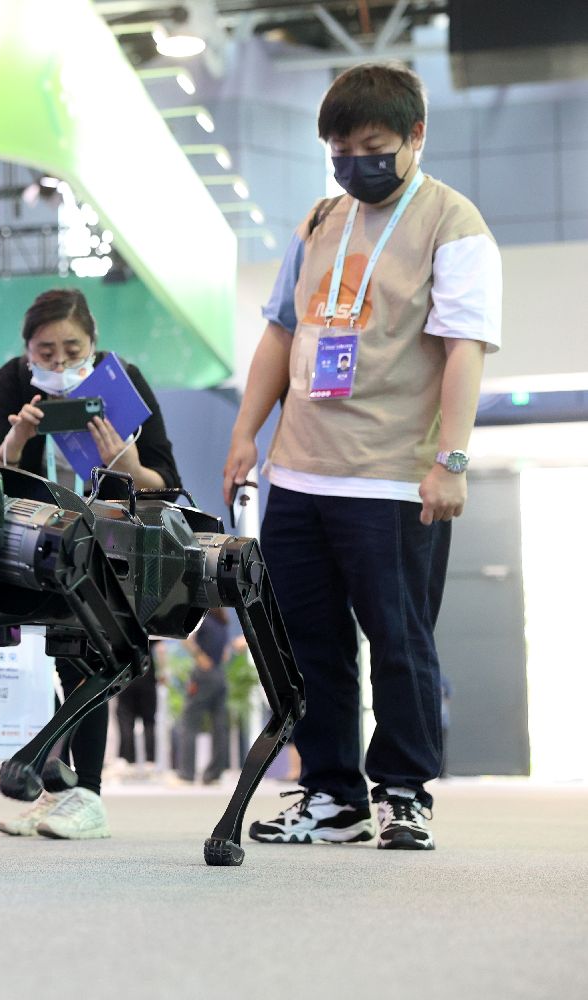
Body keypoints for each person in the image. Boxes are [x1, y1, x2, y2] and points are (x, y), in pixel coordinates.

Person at [223, 64, 500, 851]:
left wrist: (451, 460)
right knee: (306, 642)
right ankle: (330, 795)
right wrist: (246, 433)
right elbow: (280, 331)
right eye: (340, 151)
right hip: (300, 471)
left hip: (392, 478)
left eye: (372, 147)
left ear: (416, 135)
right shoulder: (320, 220)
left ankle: (404, 792)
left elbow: (465, 348)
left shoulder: (454, 223)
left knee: (400, 642)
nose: (355, 164)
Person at [0, 287, 181, 839]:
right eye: (45, 352)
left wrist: (127, 464)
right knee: (43, 669)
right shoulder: (12, 382)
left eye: (72, 349)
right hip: (31, 542)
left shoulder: (123, 381)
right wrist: (17, 440)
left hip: (104, 543)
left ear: (93, 343)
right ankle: (60, 792)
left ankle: (87, 795)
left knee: (84, 660)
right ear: (27, 351)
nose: (59, 362)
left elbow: (166, 483)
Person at [175, 607, 234, 785]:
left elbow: (185, 639)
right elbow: (225, 654)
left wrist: (199, 656)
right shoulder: (222, 622)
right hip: (220, 675)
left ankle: (186, 774)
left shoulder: (202, 619)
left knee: (190, 723)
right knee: (220, 726)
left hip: (203, 675)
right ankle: (213, 775)